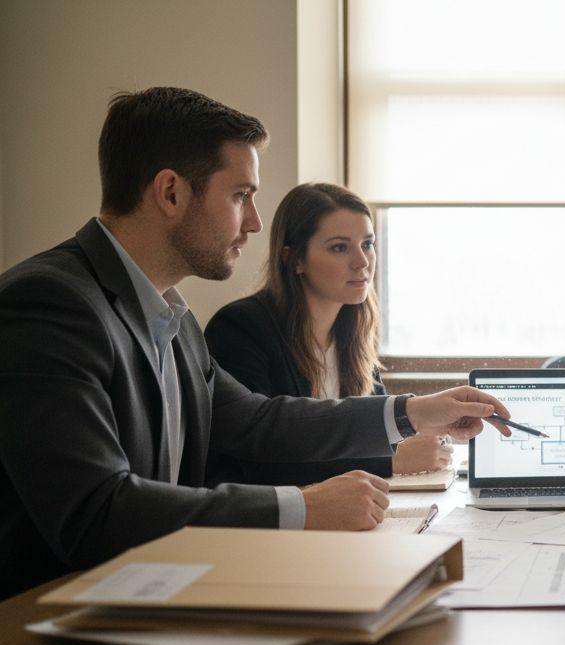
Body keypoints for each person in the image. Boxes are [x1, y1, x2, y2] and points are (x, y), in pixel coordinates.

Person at [0, 86, 515, 599]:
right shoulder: (49, 302)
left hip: (140, 595)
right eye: (241, 195)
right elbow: (95, 511)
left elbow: (257, 420)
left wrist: (413, 411)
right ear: (171, 193)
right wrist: (301, 507)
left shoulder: (168, 318)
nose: (255, 221)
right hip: (41, 628)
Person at [203, 183, 449, 486]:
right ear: (295, 260)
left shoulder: (354, 335)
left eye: (368, 244)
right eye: (339, 247)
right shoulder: (240, 329)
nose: (362, 261)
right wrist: (389, 462)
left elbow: (374, 432)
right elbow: (256, 463)